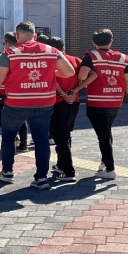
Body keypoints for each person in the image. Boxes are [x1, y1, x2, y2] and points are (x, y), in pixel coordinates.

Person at [0, 21, 75, 189]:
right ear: (34, 36)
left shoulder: (8, 53)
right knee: (41, 140)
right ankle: (41, 178)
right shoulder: (51, 51)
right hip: (44, 104)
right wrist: (47, 72)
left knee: (9, 136)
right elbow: (69, 72)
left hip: (15, 104)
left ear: (17, 36)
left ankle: (7, 172)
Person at [72, 28, 128, 180]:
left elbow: (82, 75)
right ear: (111, 42)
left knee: (103, 136)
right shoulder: (123, 58)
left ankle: (109, 169)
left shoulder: (91, 56)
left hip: (97, 102)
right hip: (116, 101)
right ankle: (104, 162)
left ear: (93, 42)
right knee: (106, 132)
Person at [46, 36, 81, 182]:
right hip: (74, 102)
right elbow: (87, 76)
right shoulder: (76, 60)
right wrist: (74, 91)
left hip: (57, 102)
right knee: (66, 134)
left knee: (60, 137)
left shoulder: (49, 62)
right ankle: (61, 165)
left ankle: (68, 171)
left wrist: (63, 95)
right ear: (63, 48)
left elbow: (52, 80)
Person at [0, 32, 29, 152]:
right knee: (22, 118)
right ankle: (23, 144)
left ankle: (12, 139)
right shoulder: (26, 53)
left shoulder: (3, 54)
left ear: (7, 43)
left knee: (1, 116)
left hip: (5, 91)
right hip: (23, 90)